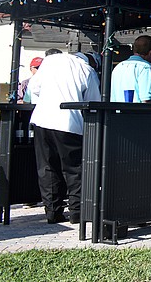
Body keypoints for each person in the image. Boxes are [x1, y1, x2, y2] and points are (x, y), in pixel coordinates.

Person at [27, 51, 101, 224]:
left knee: (47, 168)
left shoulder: (50, 62)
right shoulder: (87, 70)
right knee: (74, 169)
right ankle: (77, 212)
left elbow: (34, 88)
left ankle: (52, 212)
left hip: (42, 120)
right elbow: (93, 102)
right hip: (70, 123)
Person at [109, 35, 151, 103]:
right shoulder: (145, 67)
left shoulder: (118, 67)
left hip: (116, 112)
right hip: (136, 112)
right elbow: (146, 99)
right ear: (150, 53)